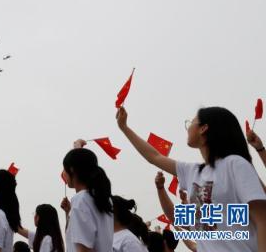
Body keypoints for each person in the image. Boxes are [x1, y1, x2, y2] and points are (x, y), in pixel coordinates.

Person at [116, 106, 266, 251]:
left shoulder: (235, 164)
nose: (188, 128)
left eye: (191, 123)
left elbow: (262, 219)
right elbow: (154, 157)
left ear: (203, 128)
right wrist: (124, 128)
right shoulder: (192, 171)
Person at [62, 147, 114, 252]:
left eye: (64, 169)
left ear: (71, 169)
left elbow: (84, 249)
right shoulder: (104, 199)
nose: (63, 173)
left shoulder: (80, 200)